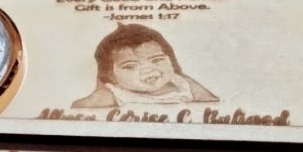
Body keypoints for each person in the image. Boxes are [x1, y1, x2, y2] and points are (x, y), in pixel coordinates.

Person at [72, 23, 217, 108]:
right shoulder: (113, 95)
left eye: (157, 60)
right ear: (111, 76)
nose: (148, 70)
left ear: (171, 60)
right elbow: (78, 110)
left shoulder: (183, 84)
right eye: (130, 66)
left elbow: (214, 104)